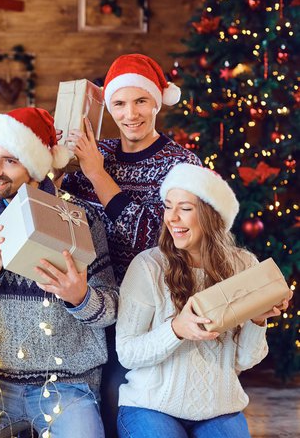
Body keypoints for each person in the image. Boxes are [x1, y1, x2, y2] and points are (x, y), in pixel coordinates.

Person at [0, 107, 118, 437]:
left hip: (69, 386)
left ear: (35, 167)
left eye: (10, 160)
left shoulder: (77, 219)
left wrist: (79, 298)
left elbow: (110, 310)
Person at [60, 54, 202, 436]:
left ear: (157, 103)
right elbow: (59, 207)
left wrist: (98, 175)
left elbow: (156, 241)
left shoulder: (182, 165)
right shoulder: (96, 151)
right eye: (119, 103)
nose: (130, 113)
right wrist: (55, 163)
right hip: (92, 305)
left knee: (113, 396)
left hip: (149, 314)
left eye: (140, 101)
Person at [115, 163, 291, 438]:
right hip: (151, 406)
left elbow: (245, 359)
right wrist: (176, 329)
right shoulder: (148, 267)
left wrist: (258, 319)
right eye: (168, 206)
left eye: (184, 209)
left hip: (219, 408)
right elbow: (126, 353)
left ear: (211, 216)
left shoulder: (244, 265)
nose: (171, 218)